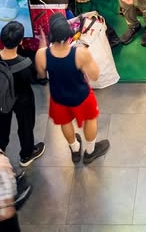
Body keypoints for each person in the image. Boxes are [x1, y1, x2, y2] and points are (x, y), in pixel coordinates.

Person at [35, 14, 109, 165]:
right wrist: (87, 60)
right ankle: (90, 151)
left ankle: (75, 150)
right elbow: (95, 76)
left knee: (65, 123)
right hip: (81, 96)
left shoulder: (41, 54)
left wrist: (43, 48)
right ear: (69, 34)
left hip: (58, 97)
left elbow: (41, 74)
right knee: (90, 120)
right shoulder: (80, 53)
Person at [0, 17, 43, 167]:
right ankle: (26, 154)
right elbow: (35, 78)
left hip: (1, 96)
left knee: (1, 127)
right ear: (20, 42)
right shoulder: (25, 63)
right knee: (26, 126)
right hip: (23, 99)